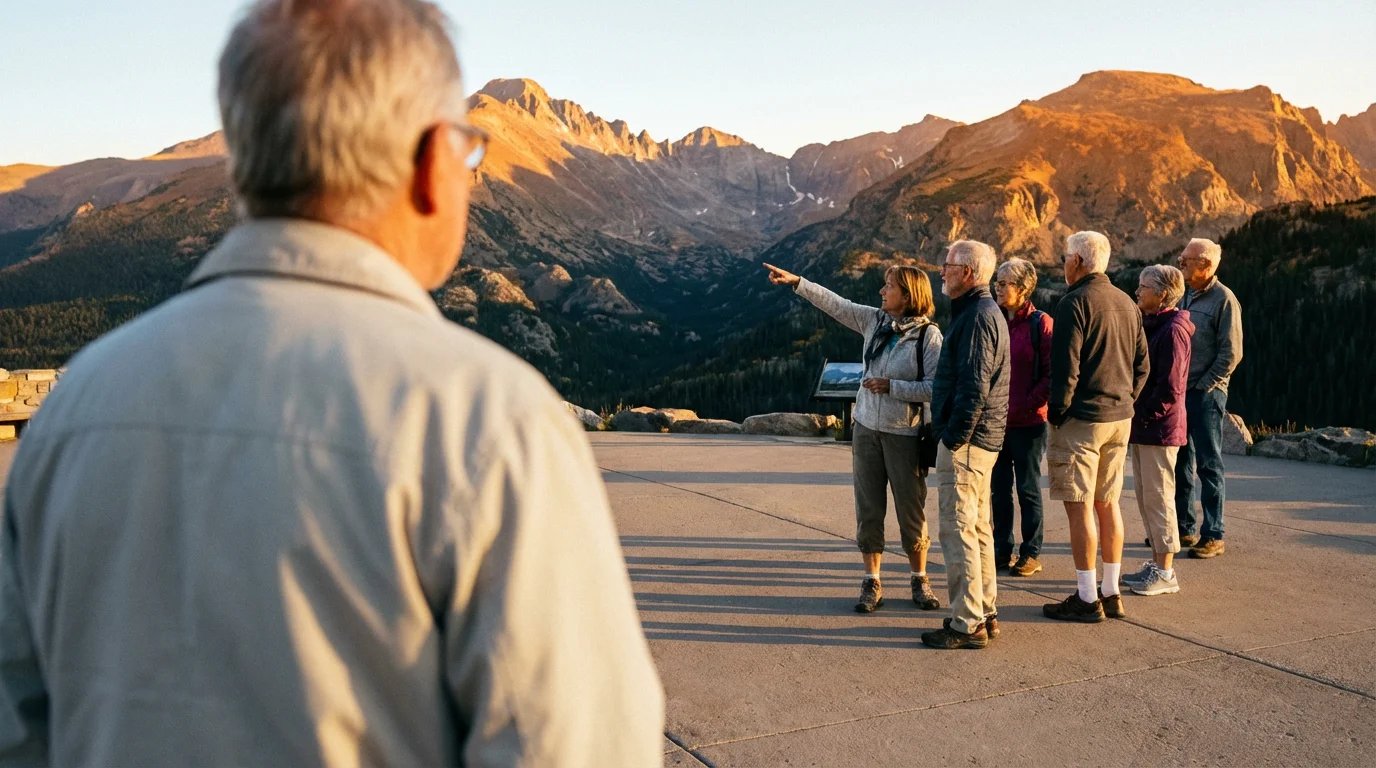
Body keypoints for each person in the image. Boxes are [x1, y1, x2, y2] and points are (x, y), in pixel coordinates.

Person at [0, 1, 664, 765]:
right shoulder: (491, 423)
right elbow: (577, 748)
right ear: (427, 165)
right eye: (469, 152)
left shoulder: (72, 411)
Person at [764, 262, 944, 613]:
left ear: (907, 295)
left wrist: (893, 387)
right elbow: (837, 304)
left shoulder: (929, 337)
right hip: (865, 430)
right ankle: (871, 581)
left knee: (911, 509)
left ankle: (919, 578)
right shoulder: (874, 321)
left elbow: (936, 388)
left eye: (888, 286)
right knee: (868, 507)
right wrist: (798, 282)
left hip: (904, 435)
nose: (881, 291)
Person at [1042, 231, 1149, 624]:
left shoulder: (1074, 303)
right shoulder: (1126, 301)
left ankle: (1086, 598)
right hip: (1119, 418)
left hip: (1083, 420)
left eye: (1065, 257)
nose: (1063, 263)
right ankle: (1111, 591)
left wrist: (1057, 412)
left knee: (1079, 506)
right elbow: (1143, 366)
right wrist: (1126, 400)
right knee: (1108, 503)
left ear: (1079, 262)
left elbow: (1065, 368)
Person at [920, 240, 1010, 651]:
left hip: (969, 442)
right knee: (978, 529)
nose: (942, 272)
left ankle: (966, 622)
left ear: (968, 273)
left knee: (957, 531)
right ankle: (984, 611)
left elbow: (973, 386)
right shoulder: (983, 311)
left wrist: (952, 437)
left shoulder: (976, 317)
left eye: (948, 265)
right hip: (982, 439)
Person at [1123, 265, 1194, 596]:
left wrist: (1144, 417)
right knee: (1147, 499)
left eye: (1143, 287)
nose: (1137, 292)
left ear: (1162, 294)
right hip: (1145, 428)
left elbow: (1170, 389)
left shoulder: (1174, 331)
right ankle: (1157, 564)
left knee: (1160, 498)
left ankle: (1166, 573)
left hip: (1159, 430)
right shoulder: (1155, 325)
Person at [1174, 238, 1243, 559]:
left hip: (1205, 395)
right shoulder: (1184, 294)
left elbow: (1232, 353)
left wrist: (1203, 386)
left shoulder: (1224, 300)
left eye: (1186, 259)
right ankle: (1184, 529)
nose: (1180, 262)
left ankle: (1213, 534)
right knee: (1181, 463)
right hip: (1179, 393)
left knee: (1209, 464)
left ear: (1206, 265)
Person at [991, 257, 1053, 577]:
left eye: (1004, 284)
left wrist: (1027, 404)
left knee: (1027, 489)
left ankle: (1031, 552)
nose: (997, 288)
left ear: (1024, 288)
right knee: (998, 489)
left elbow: (1051, 373)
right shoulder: (994, 320)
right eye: (996, 283)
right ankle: (1002, 548)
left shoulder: (1040, 324)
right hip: (996, 421)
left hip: (1028, 422)